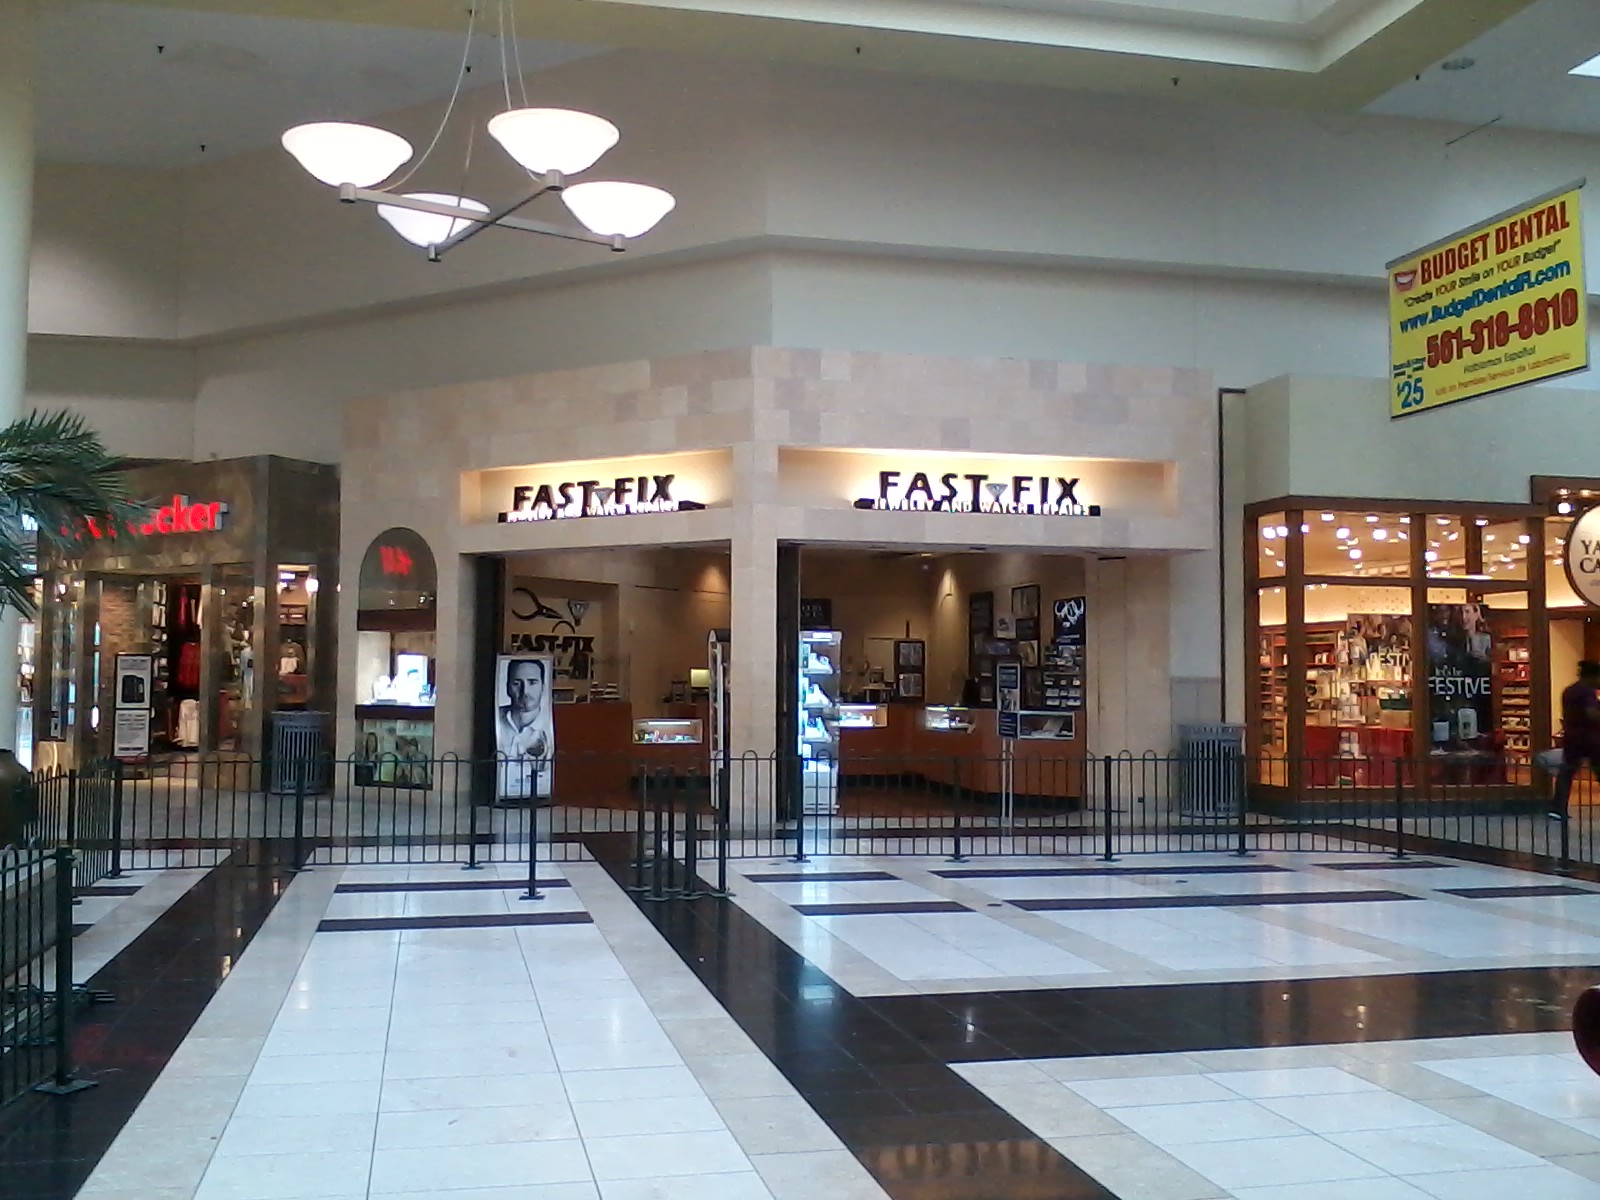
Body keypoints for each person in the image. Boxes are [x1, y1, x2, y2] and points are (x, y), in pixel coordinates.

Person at [496, 657, 553, 801]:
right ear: (508, 687)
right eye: (517, 683)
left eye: (532, 682)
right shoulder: (495, 718)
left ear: (543, 687)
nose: (525, 691)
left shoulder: (547, 728)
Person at [1551, 660, 1600, 819]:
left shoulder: (1569, 691)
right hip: (1590, 739)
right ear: (1593, 676)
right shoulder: (1588, 692)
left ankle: (1557, 808)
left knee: (1566, 772)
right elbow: (1591, 713)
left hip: (1572, 738)